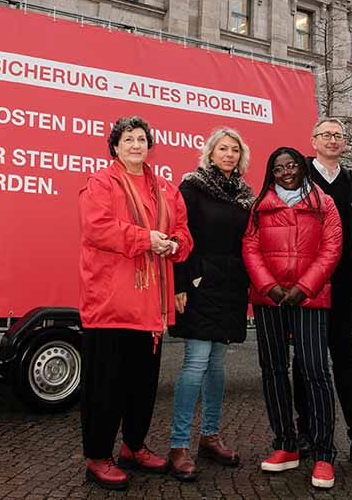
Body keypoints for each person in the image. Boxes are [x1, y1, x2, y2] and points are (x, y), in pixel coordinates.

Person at [78, 116, 194, 491]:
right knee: (105, 387)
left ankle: (133, 446)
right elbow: (96, 228)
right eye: (127, 139)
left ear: (149, 146)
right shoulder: (101, 182)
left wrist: (174, 244)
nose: (135, 145)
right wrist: (147, 239)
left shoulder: (166, 189)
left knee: (142, 385)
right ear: (115, 147)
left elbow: (183, 233)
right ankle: (98, 456)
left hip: (150, 307)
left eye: (141, 139)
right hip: (111, 304)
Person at [290, 118, 352, 471]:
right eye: (326, 135)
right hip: (307, 286)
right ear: (313, 141)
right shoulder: (297, 177)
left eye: (338, 135)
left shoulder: (351, 181)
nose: (333, 140)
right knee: (305, 363)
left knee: (346, 361)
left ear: (344, 143)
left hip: (344, 287)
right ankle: (307, 432)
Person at [243, 147, 343, 489]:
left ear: (303, 167)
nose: (286, 172)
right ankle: (285, 444)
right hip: (269, 299)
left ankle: (324, 453)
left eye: (292, 165)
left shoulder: (324, 203)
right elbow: (250, 248)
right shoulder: (259, 206)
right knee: (273, 370)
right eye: (278, 168)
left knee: (315, 371)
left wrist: (304, 288)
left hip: (309, 298)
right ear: (271, 173)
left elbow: (332, 249)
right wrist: (268, 287)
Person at [166, 127, 255, 481]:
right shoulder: (192, 187)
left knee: (217, 365)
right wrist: (181, 283)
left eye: (235, 149)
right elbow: (179, 234)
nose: (229, 154)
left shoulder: (244, 195)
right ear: (210, 153)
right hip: (200, 283)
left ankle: (210, 437)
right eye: (223, 148)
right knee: (195, 363)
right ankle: (178, 444)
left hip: (231, 287)